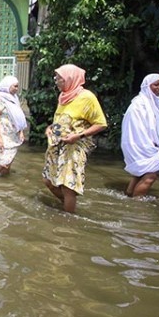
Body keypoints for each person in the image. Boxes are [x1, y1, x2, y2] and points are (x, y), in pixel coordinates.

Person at [42, 64, 108, 213]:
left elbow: (101, 124)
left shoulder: (87, 97)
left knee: (68, 186)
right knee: (48, 181)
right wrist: (51, 128)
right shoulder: (63, 96)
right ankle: (67, 206)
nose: (56, 81)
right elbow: (62, 120)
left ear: (69, 79)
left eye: (59, 78)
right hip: (56, 146)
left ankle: (68, 219)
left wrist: (78, 135)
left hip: (74, 148)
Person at [121, 73, 159, 198]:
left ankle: (128, 197)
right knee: (150, 176)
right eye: (156, 84)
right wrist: (152, 144)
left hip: (146, 143)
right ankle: (137, 206)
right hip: (139, 144)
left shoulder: (157, 102)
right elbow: (136, 129)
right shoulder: (139, 105)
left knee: (140, 174)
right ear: (147, 86)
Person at [0, 76, 27, 176]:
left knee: (9, 162)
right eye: (15, 86)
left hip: (12, 135)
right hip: (2, 134)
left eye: (18, 86)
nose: (17, 89)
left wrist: (20, 132)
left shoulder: (14, 99)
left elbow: (18, 117)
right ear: (7, 86)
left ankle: (4, 184)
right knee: (3, 162)